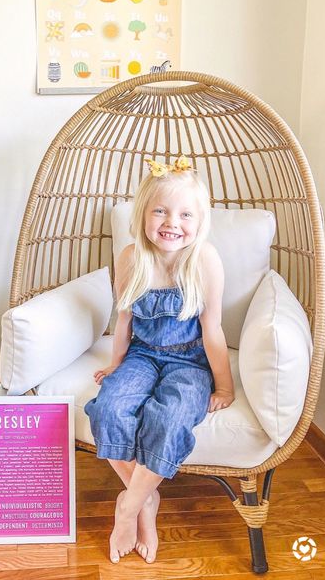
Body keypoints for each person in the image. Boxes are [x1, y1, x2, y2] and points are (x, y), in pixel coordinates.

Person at [84, 156, 235, 565]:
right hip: (142, 355)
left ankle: (128, 507)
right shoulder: (132, 257)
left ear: (200, 220)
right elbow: (125, 320)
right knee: (110, 408)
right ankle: (145, 499)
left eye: (185, 214)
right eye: (160, 211)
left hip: (190, 362)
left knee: (168, 419)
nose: (172, 222)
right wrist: (117, 364)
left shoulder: (204, 261)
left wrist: (224, 385)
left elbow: (213, 330)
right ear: (143, 215)